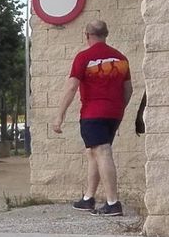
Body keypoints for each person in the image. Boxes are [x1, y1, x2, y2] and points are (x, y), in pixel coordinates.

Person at [53, 19, 132, 216]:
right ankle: (88, 198)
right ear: (106, 34)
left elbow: (71, 87)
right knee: (94, 152)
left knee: (102, 152)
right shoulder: (121, 58)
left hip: (93, 113)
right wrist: (119, 108)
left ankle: (113, 202)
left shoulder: (84, 57)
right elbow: (128, 90)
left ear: (87, 35)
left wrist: (59, 115)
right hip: (114, 113)